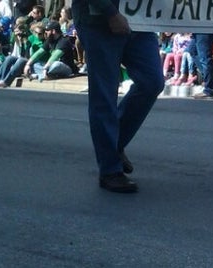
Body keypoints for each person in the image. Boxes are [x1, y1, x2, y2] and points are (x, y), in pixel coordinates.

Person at [72, 0, 164, 193]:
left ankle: (114, 145)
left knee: (152, 81)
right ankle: (110, 170)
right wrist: (110, 13)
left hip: (140, 20)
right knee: (105, 94)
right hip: (98, 21)